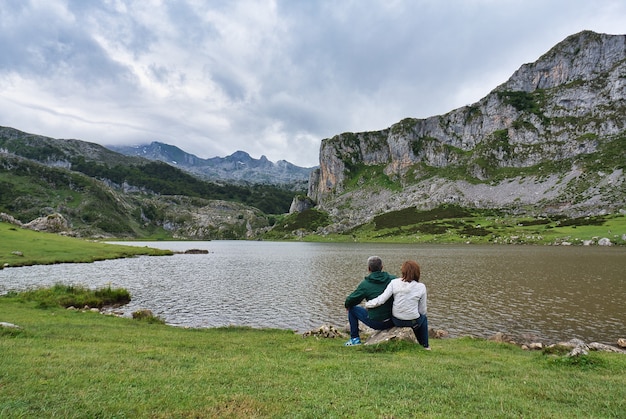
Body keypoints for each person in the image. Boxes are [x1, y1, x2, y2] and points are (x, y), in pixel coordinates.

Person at [365, 260, 430, 350]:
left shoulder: (394, 283)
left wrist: (368, 304)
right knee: (423, 318)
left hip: (397, 321)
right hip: (413, 322)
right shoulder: (421, 287)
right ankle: (425, 345)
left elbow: (381, 300)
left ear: (403, 271)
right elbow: (422, 310)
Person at [343, 256, 395, 346]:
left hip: (377, 323)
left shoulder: (365, 284)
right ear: (382, 267)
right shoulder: (393, 279)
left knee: (352, 309)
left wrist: (348, 305)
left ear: (369, 269)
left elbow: (350, 300)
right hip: (393, 320)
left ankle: (355, 339)